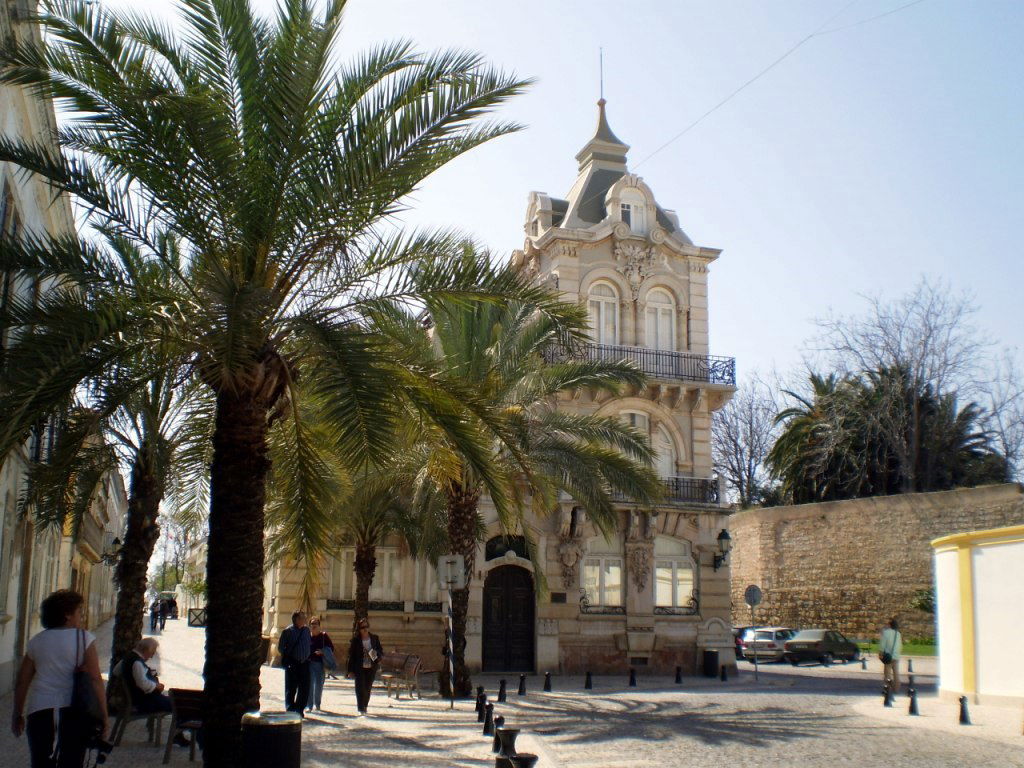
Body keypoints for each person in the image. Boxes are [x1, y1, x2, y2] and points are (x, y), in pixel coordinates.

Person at [11, 589, 109, 768]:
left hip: (39, 710)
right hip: (74, 710)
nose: (81, 616)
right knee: (72, 761)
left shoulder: (37, 641)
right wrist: (104, 714)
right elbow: (95, 679)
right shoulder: (84, 639)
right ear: (67, 615)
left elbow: (22, 681)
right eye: (79, 611)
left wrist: (17, 713)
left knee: (40, 762)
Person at [121, 638, 172, 715]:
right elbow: (143, 684)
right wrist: (157, 686)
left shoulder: (128, 657)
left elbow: (116, 671)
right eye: (152, 653)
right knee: (178, 704)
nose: (151, 657)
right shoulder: (137, 663)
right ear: (146, 650)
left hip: (139, 698)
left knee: (174, 701)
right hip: (144, 701)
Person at [347, 618, 383, 716]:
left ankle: (365, 705)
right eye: (363, 627)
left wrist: (376, 654)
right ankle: (360, 708)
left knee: (367, 688)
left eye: (366, 626)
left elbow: (380, 651)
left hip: (371, 667)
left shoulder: (374, 638)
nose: (365, 629)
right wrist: (350, 670)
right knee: (359, 687)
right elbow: (352, 656)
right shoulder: (356, 640)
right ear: (359, 629)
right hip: (359, 667)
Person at [278, 611, 311, 717]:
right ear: (296, 619)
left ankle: (300, 709)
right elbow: (280, 647)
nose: (305, 619)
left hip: (305, 663)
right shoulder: (288, 631)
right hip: (293, 663)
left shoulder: (306, 630)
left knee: (305, 687)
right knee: (291, 687)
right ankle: (290, 709)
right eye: (303, 617)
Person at [306, 617, 335, 712]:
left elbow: (331, 648)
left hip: (319, 664)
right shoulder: (307, 636)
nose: (314, 626)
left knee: (319, 685)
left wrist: (323, 652)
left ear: (319, 626)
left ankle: (317, 705)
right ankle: (309, 706)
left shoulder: (323, 636)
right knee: (309, 685)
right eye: (312, 624)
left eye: (316, 624)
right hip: (309, 663)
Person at [879, 617, 903, 693]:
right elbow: (900, 645)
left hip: (888, 655)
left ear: (890, 625)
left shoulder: (886, 633)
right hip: (896, 656)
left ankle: (887, 689)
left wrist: (880, 653)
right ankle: (896, 689)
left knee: (887, 673)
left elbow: (883, 644)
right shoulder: (898, 633)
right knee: (896, 674)